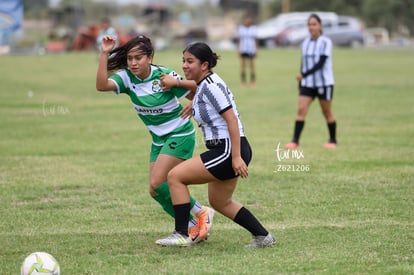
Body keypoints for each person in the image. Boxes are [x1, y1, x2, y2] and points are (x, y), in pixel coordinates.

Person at [95, 34, 214, 243]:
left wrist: (192, 102)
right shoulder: (126, 78)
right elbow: (101, 85)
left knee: (159, 181)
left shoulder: (163, 76)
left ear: (150, 58)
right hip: (158, 139)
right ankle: (196, 219)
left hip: (180, 133)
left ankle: (193, 220)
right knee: (155, 190)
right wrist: (104, 53)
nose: (133, 63)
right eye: (130, 58)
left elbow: (201, 87)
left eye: (138, 58)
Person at [156, 42, 275, 248]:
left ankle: (181, 233)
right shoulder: (205, 83)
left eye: (190, 61)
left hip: (228, 149)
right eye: (183, 61)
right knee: (220, 202)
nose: (184, 66)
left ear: (204, 65)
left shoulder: (210, 86)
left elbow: (232, 121)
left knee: (175, 176)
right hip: (226, 148)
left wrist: (236, 157)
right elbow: (197, 88)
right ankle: (263, 237)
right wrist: (181, 87)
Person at [285, 13, 337, 149]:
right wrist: (301, 81)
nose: (311, 27)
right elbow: (304, 63)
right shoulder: (305, 42)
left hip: (324, 84)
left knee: (326, 112)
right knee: (301, 110)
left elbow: (321, 63)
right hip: (308, 84)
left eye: (314, 24)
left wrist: (304, 74)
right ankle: (295, 141)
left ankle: (333, 140)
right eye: (309, 24)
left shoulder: (326, 42)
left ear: (320, 26)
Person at [237, 14, 258, 88]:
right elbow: (239, 40)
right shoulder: (241, 29)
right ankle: (243, 81)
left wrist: (256, 49)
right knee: (243, 66)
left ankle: (252, 81)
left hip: (251, 49)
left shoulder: (253, 28)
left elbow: (255, 39)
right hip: (244, 49)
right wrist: (239, 49)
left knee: (252, 66)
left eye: (249, 19)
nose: (248, 21)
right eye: (246, 19)